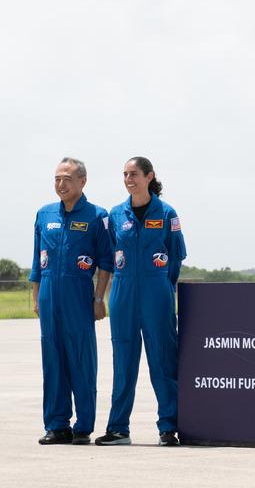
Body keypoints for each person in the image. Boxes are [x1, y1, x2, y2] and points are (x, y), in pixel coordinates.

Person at [95, 157, 187, 447]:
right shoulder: (115, 214)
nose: (128, 178)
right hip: (123, 294)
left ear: (149, 177)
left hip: (156, 293)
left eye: (134, 173)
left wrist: (160, 284)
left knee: (162, 360)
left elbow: (176, 256)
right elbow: (108, 258)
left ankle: (168, 427)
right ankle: (119, 428)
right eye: (124, 174)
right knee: (123, 362)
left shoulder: (167, 212)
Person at [30, 157, 113, 445]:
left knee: (81, 358)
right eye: (57, 179)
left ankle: (83, 426)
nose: (61, 184)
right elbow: (36, 264)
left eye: (67, 178)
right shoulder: (44, 214)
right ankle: (56, 425)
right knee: (52, 361)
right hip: (49, 293)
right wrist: (37, 298)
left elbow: (106, 262)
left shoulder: (97, 215)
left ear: (82, 182)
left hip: (79, 295)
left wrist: (99, 297)